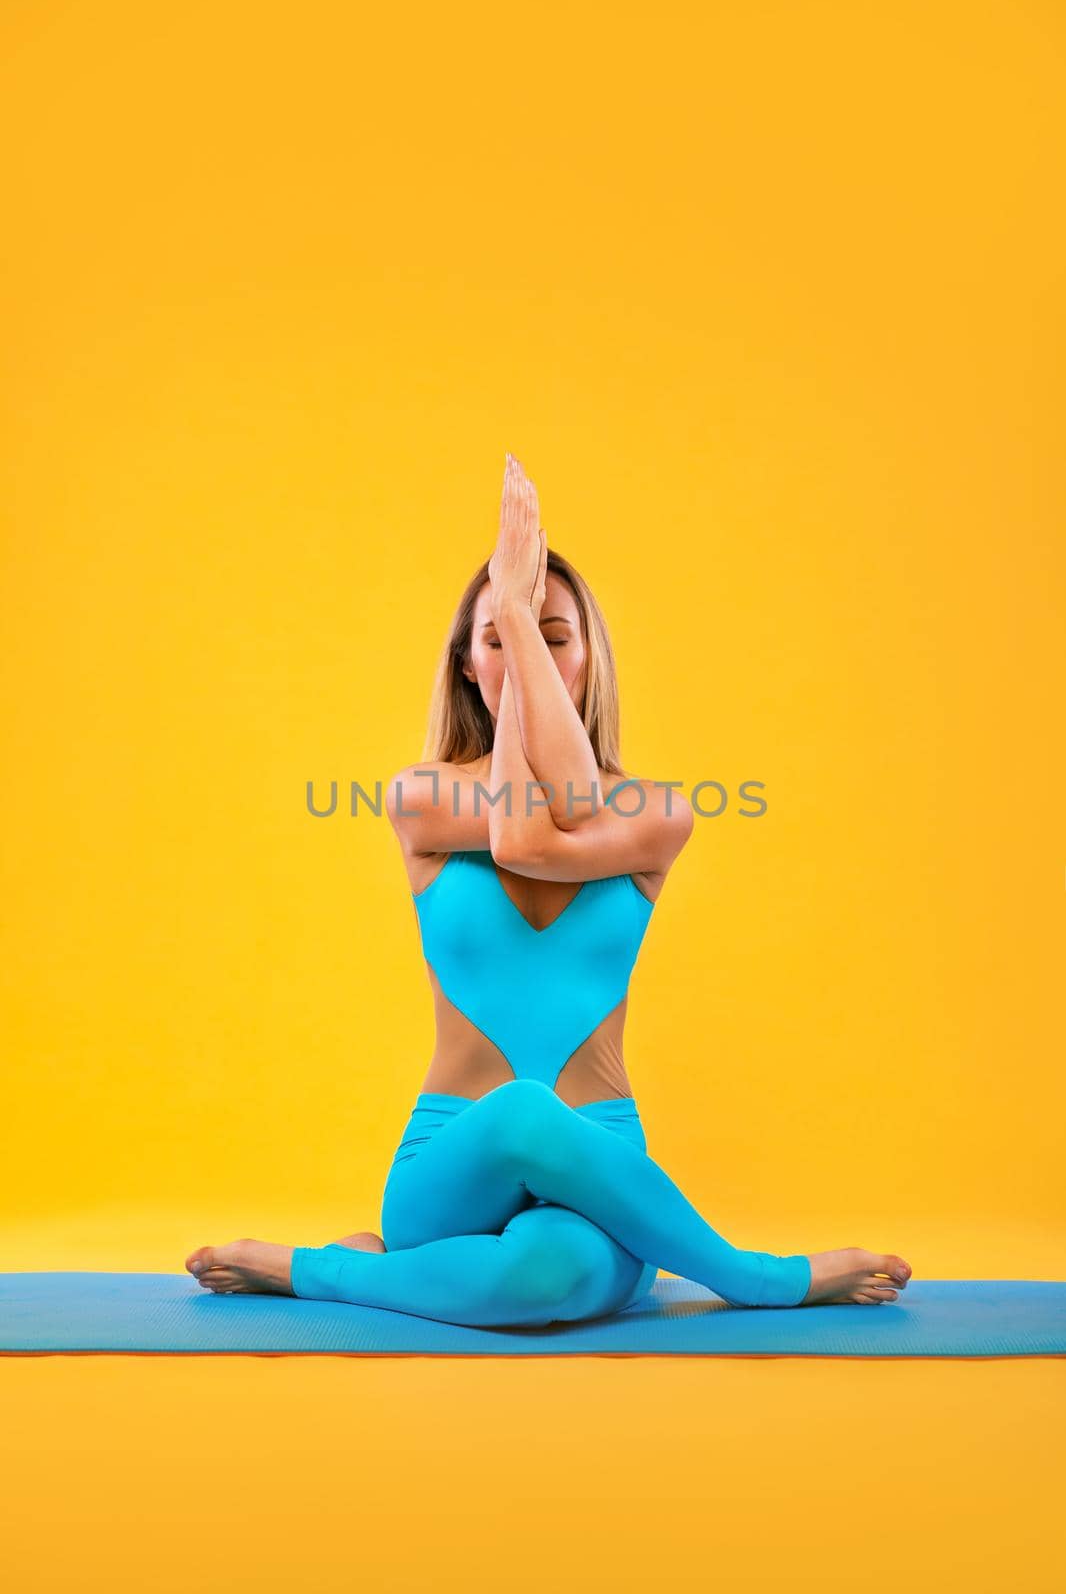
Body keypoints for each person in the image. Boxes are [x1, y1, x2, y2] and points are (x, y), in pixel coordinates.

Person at [186, 453, 912, 1321]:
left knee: (546, 1282)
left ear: (588, 656)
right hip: (450, 1156)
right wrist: (526, 621)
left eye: (553, 636)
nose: (527, 654)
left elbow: (557, 812)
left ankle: (349, 1272)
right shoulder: (420, 796)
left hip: (603, 1157)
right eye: (496, 639)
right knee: (523, 1109)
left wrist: (515, 615)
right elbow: (523, 829)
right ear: (465, 665)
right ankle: (760, 1278)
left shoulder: (657, 813)